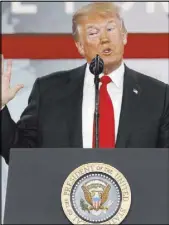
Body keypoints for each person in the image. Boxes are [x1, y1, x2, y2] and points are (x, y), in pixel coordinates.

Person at [1, 2, 169, 164]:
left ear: (124, 36)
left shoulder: (158, 95)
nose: (104, 39)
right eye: (93, 32)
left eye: (110, 29)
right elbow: (19, 155)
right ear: (80, 46)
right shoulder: (48, 91)